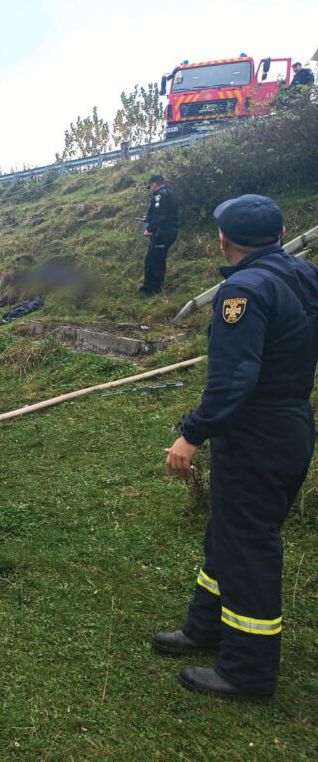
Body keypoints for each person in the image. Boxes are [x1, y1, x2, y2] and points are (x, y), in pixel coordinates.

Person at [157, 194, 318, 700]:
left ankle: (246, 671)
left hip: (256, 433)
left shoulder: (242, 293)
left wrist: (191, 433)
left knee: (248, 545)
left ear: (223, 239)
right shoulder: (304, 275)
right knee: (229, 531)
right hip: (290, 422)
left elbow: (233, 381)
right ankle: (205, 627)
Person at [140, 174, 179, 295]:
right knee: (150, 259)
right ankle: (147, 287)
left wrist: (149, 229)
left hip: (163, 232)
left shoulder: (160, 195)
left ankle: (154, 290)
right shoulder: (168, 193)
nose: (150, 189)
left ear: (154, 184)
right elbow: (164, 212)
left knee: (156, 261)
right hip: (166, 231)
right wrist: (149, 218)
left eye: (150, 186)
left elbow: (160, 215)